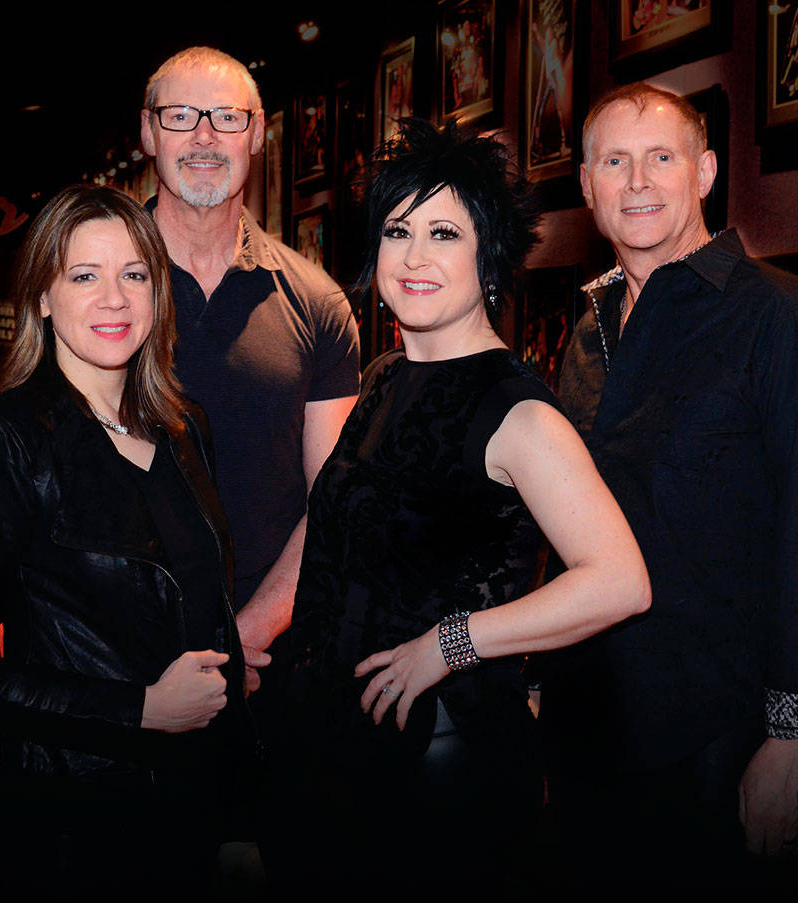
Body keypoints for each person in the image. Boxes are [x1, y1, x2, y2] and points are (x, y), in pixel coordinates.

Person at [273, 118, 651, 893]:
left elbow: (620, 579)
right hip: (341, 754)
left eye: (443, 231)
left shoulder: (518, 411)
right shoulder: (381, 377)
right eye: (397, 229)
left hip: (444, 768)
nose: (413, 256)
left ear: (489, 259)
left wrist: (452, 642)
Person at [543, 82, 798, 891]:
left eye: (662, 158)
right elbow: (567, 519)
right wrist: (542, 677)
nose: (639, 181)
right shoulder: (586, 332)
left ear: (707, 172)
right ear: (587, 187)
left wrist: (796, 739)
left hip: (718, 737)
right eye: (615, 162)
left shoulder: (782, 318)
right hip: (590, 727)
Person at [0, 185, 255, 897]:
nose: (114, 299)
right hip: (77, 820)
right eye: (84, 275)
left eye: (134, 274)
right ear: (43, 296)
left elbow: (210, 621)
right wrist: (137, 708)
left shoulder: (184, 427)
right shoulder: (3, 437)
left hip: (194, 806)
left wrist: (240, 819)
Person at [139, 47, 360, 693]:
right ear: (148, 131)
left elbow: (333, 502)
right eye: (181, 115)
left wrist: (248, 634)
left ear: (259, 133)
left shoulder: (318, 304)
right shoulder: (94, 291)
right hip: (113, 672)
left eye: (227, 118)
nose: (204, 135)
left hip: (270, 672)